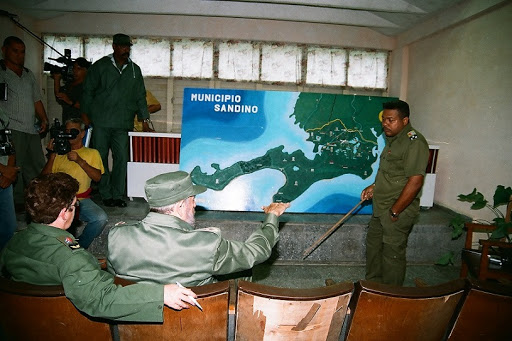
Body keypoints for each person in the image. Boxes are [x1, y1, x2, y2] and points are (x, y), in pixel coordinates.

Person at [0, 172, 197, 321]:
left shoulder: (14, 242)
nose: (77, 209)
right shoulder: (71, 257)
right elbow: (102, 300)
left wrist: (94, 262)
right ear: (64, 213)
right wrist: (161, 293)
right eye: (75, 205)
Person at [107, 171, 291, 287]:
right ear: (180, 205)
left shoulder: (117, 236)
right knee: (243, 270)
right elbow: (256, 251)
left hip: (136, 325)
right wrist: (271, 217)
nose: (195, 204)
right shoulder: (204, 244)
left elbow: (115, 278)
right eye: (192, 199)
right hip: (193, 321)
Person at [360, 100, 429, 286]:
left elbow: (415, 182)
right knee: (374, 248)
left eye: (391, 120)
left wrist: (395, 211)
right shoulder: (392, 139)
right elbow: (391, 172)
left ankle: (391, 296)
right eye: (384, 119)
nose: (385, 124)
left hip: (397, 210)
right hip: (381, 207)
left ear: (405, 120)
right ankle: (373, 288)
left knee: (392, 255)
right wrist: (374, 186)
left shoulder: (414, 142)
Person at [81, 33, 152, 208]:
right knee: (101, 158)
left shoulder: (135, 70)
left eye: (128, 47)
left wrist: (144, 119)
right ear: (114, 47)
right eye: (122, 46)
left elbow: (140, 95)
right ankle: (105, 194)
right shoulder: (100, 66)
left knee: (122, 158)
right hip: (101, 122)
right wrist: (86, 115)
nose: (125, 50)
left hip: (123, 122)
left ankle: (117, 194)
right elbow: (88, 91)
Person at [41, 118, 107, 249]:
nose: (69, 134)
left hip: (81, 199)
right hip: (60, 199)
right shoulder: (60, 153)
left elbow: (97, 177)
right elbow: (43, 179)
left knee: (100, 218)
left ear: (82, 134)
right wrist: (52, 155)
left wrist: (80, 161)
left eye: (73, 131)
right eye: (67, 131)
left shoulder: (92, 153)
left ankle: (79, 247)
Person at [0, 36, 49, 210]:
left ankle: (37, 201)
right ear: (4, 50)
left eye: (22, 52)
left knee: (36, 166)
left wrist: (43, 118)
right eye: (15, 51)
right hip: (10, 128)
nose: (19, 55)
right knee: (14, 168)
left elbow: (36, 99)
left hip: (30, 128)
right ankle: (16, 205)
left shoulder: (28, 75)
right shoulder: (2, 72)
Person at [0, 108, 19, 250]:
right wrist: (4, 170)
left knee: (9, 228)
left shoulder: (2, 113)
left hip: (4, 178)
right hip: (3, 171)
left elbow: (9, 143)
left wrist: (10, 172)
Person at [53, 57, 91, 123]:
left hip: (81, 124)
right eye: (74, 68)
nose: (75, 71)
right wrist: (57, 79)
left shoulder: (88, 86)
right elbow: (59, 96)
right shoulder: (70, 84)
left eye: (79, 69)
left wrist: (69, 101)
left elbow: (88, 107)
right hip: (67, 122)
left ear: (86, 70)